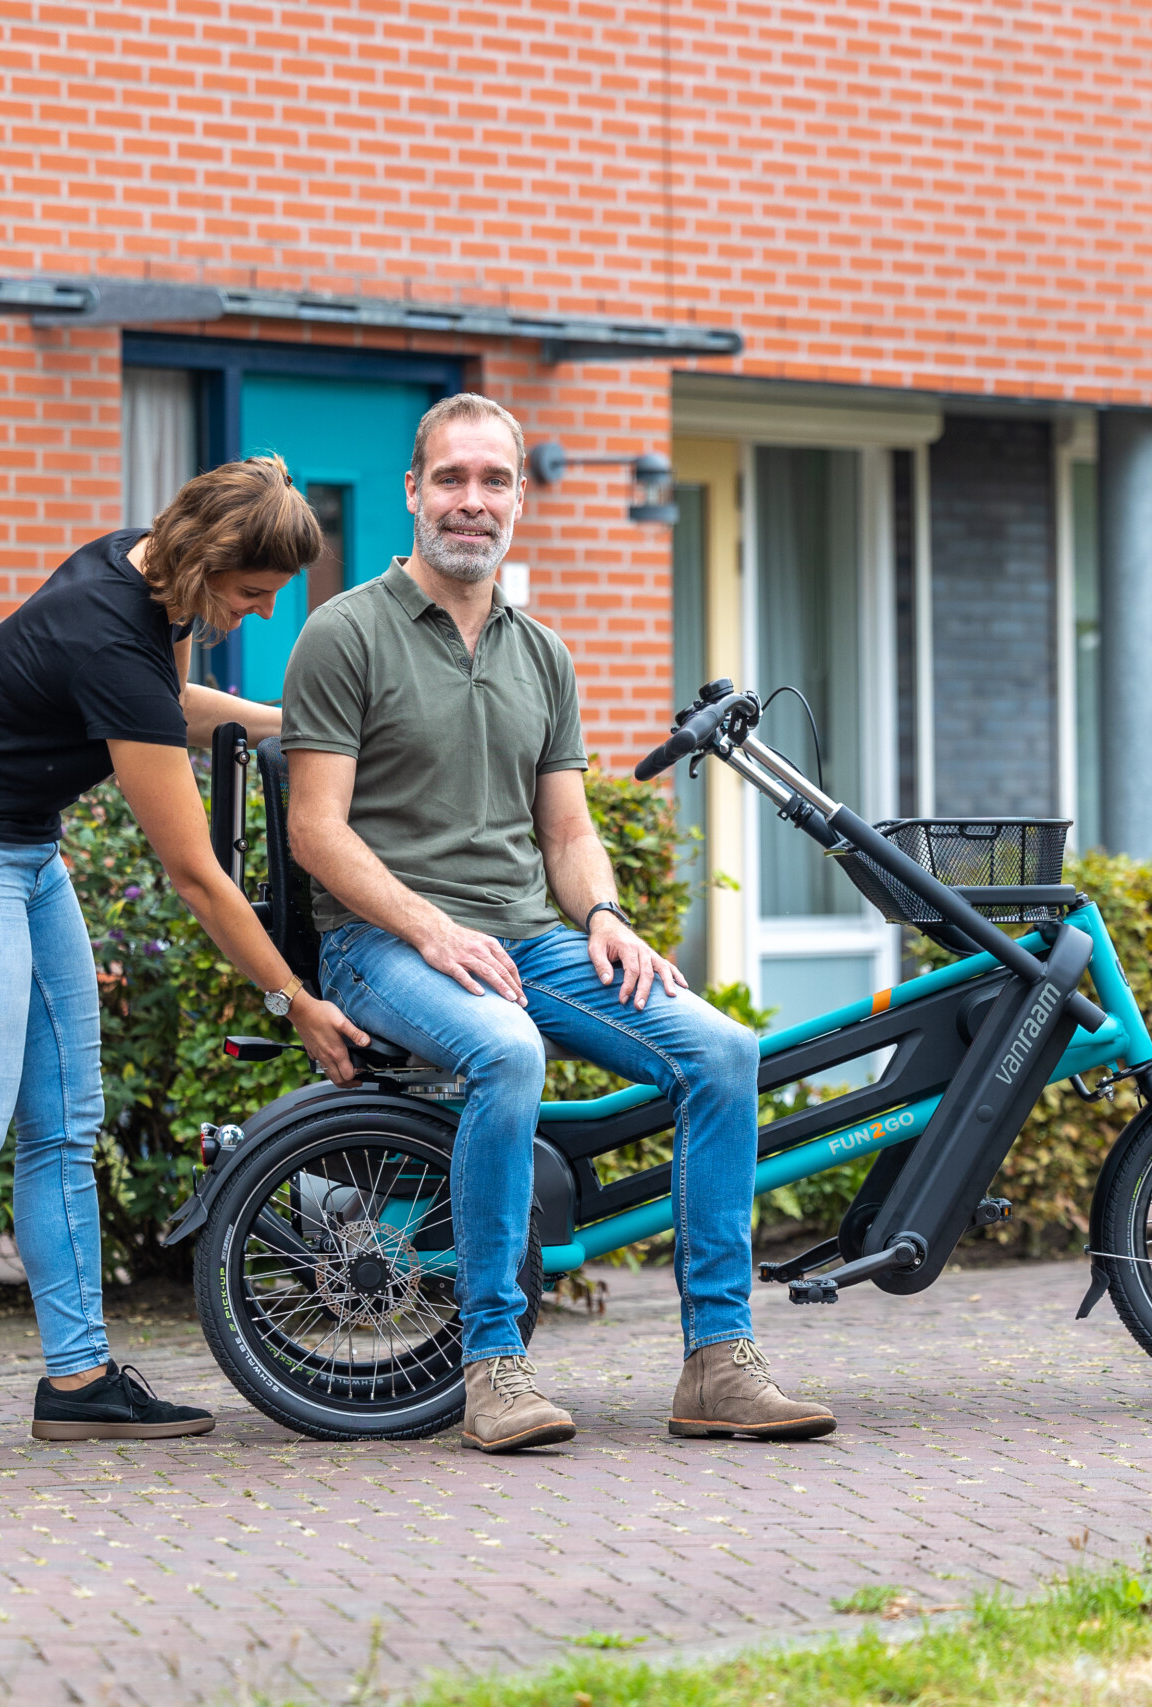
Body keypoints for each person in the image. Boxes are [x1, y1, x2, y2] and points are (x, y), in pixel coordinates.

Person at [282, 394, 835, 1453]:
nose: (471, 501)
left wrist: (607, 916)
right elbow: (317, 833)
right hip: (380, 948)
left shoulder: (545, 654)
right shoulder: (343, 633)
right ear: (412, 491)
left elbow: (569, 831)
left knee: (722, 1052)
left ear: (520, 499)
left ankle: (718, 1363)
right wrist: (429, 928)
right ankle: (492, 1363)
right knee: (504, 1049)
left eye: (494, 481)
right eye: (451, 478)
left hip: (533, 944)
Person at [0, 456, 374, 1458]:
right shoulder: (106, 629)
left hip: (17, 851)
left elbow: (170, 712)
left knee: (65, 1126)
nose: (258, 616)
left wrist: (295, 729)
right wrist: (290, 994)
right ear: (209, 563)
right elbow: (195, 873)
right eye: (253, 595)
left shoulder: (146, 574)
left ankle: (78, 1381)